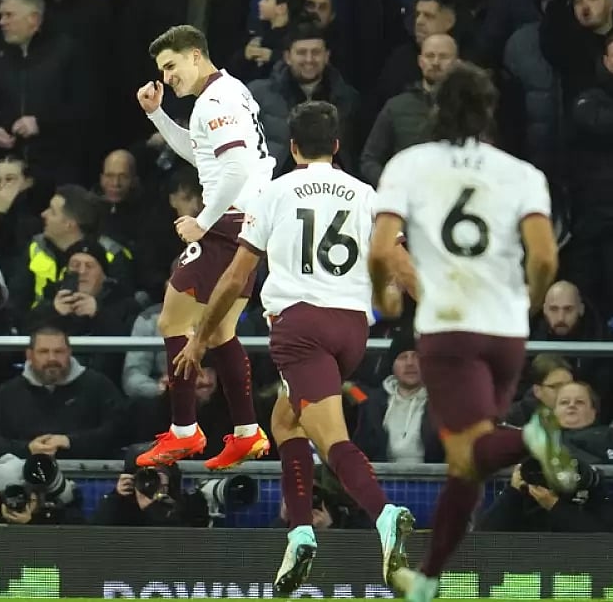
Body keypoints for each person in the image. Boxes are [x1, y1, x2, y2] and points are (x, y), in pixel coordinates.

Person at [174, 101, 415, 595]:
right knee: (286, 421)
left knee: (333, 440)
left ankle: (385, 515)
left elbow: (237, 275)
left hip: (300, 326)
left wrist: (199, 337)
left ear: (293, 148)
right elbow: (401, 264)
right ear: (338, 146)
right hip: (351, 329)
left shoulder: (275, 192)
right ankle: (301, 531)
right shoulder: (368, 194)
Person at [366, 63, 578, 602]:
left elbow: (380, 245)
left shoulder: (409, 165)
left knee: (469, 450)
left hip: (448, 326)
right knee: (469, 460)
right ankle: (429, 579)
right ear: (489, 113)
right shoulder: (521, 172)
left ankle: (532, 436)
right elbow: (546, 256)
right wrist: (528, 302)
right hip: (505, 329)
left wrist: (383, 296)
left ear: (438, 108)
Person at [133, 24, 276, 469]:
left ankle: (184, 432)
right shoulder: (227, 94)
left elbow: (233, 170)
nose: (168, 77)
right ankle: (246, 432)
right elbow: (206, 156)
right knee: (219, 332)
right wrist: (158, 115)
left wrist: (202, 221)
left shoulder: (214, 101)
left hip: (228, 224)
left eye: (171, 66)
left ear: (196, 55)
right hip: (245, 223)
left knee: (172, 318)